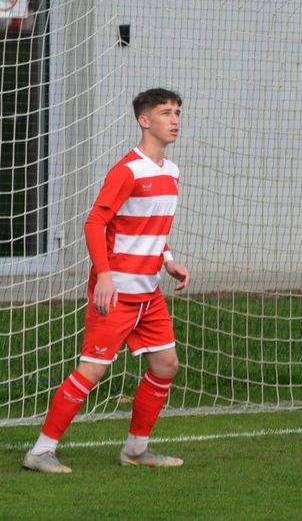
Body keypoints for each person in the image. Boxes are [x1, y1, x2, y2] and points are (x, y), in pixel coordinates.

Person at [23, 88, 192, 473]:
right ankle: (40, 451)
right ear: (144, 120)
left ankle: (135, 450)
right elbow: (95, 222)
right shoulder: (127, 171)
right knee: (92, 371)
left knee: (166, 366)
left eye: (178, 112)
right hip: (115, 293)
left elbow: (152, 225)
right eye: (166, 112)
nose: (175, 119)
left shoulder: (171, 171)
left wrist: (168, 260)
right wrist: (103, 276)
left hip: (148, 293)